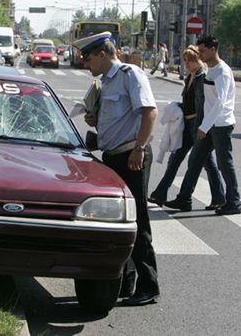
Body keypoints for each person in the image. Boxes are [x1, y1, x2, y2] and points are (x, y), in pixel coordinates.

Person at [75, 31, 160, 306]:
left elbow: (150, 112)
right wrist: (95, 118)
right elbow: (117, 117)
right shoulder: (106, 82)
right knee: (120, 221)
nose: (85, 63)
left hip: (131, 157)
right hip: (112, 156)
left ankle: (149, 286)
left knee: (139, 222)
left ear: (102, 54)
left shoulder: (129, 74)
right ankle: (127, 281)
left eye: (87, 58)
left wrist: (139, 148)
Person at [165, 35, 241, 215]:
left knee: (225, 164)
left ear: (213, 49)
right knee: (195, 160)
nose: (199, 54)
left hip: (220, 125)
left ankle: (234, 202)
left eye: (202, 51)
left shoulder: (222, 71)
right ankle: (184, 199)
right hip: (209, 124)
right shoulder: (213, 69)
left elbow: (221, 102)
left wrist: (204, 126)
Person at [149, 45, 225, 209]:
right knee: (176, 159)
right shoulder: (189, 77)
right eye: (185, 61)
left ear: (199, 60)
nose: (187, 64)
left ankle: (216, 198)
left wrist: (203, 126)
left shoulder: (202, 77)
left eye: (191, 60)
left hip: (197, 125)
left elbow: (207, 103)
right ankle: (160, 194)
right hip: (187, 124)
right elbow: (189, 102)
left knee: (206, 163)